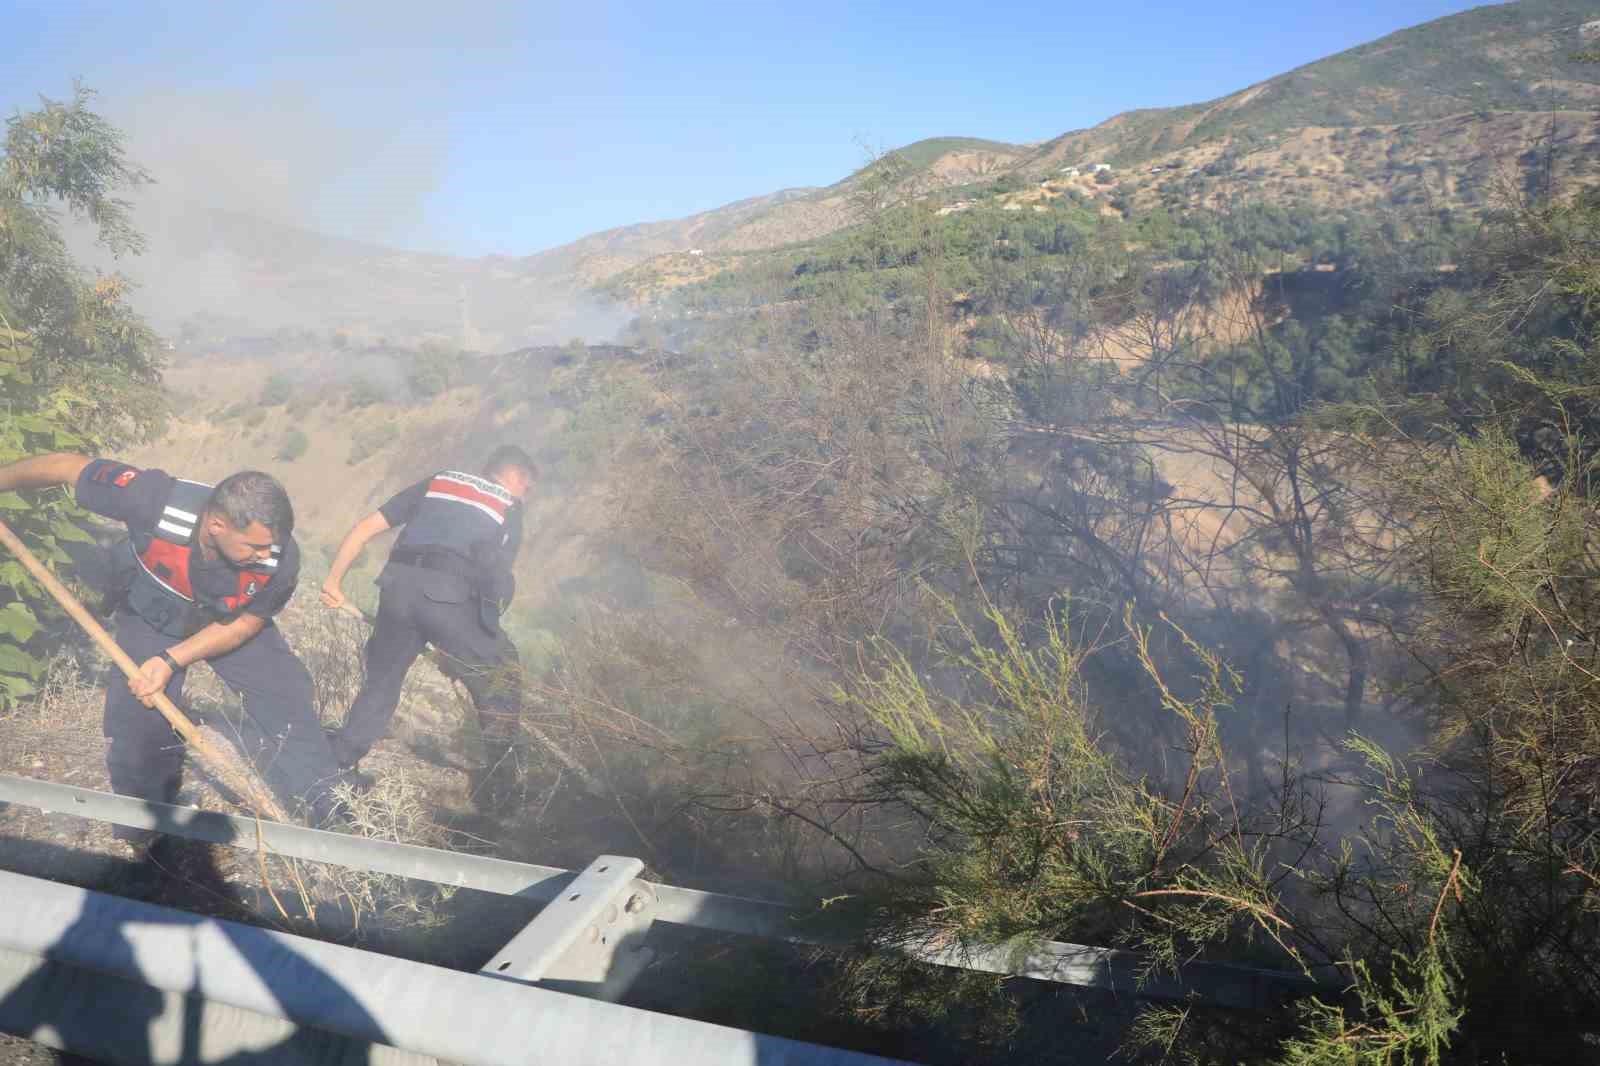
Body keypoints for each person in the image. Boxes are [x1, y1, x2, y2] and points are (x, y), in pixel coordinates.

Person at [0, 453, 350, 842]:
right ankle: (145, 822)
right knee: (138, 719)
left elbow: (244, 625)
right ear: (217, 524)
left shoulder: (280, 558)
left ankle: (333, 812)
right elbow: (66, 466)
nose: (266, 554)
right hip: (155, 608)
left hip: (227, 621)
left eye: (273, 545)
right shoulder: (152, 499)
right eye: (255, 545)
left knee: (287, 699)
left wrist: (172, 659)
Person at [320, 446, 535, 812]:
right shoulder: (509, 508)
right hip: (447, 598)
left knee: (382, 682)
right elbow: (496, 584)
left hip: (395, 589)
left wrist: (333, 582)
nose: (526, 496)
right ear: (517, 480)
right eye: (528, 488)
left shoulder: (440, 481)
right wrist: (470, 645)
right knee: (504, 672)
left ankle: (337, 769)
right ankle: (502, 790)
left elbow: (365, 528)